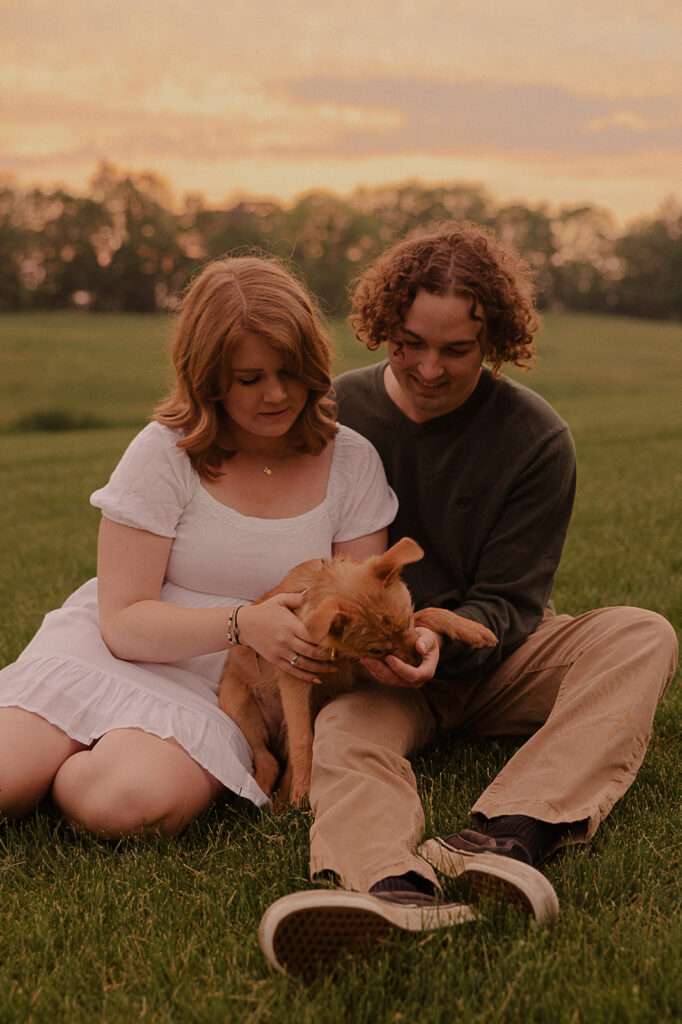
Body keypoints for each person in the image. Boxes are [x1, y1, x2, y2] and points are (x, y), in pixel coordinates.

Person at [258, 221, 679, 978]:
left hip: (497, 655)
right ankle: (390, 888)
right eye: (411, 342)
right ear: (387, 325)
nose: (428, 368)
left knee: (643, 634)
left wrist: (440, 641)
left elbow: (514, 601)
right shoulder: (334, 413)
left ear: (496, 343)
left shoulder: (536, 437)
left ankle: (505, 836)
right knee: (345, 736)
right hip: (379, 671)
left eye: (456, 350)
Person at [0, 255, 400, 836]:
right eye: (250, 379)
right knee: (5, 777)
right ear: (207, 375)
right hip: (121, 650)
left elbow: (354, 614)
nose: (277, 394)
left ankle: (83, 759)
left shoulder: (352, 461)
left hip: (232, 690)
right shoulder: (165, 451)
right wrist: (243, 622)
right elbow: (122, 621)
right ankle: (41, 751)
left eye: (291, 372)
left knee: (124, 803)